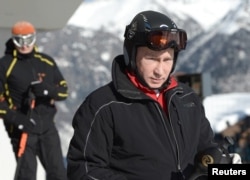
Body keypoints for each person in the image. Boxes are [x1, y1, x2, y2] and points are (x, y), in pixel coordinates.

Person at [66, 10, 241, 180]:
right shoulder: (103, 106)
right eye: (151, 58)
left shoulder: (187, 99)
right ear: (131, 56)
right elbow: (83, 169)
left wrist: (222, 165)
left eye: (167, 60)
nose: (160, 70)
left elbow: (205, 148)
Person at [0, 21, 68, 180]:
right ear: (13, 40)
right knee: (27, 175)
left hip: (47, 128)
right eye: (19, 41)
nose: (24, 45)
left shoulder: (46, 62)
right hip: (22, 130)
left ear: (34, 39)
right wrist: (18, 120)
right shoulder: (5, 65)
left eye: (28, 40)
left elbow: (64, 92)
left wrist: (47, 90)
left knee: (58, 173)